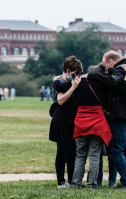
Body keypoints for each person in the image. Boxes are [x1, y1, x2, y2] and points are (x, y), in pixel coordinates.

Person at [81, 50, 126, 189]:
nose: (105, 67)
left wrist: (93, 75)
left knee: (116, 149)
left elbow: (114, 81)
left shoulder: (120, 69)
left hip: (122, 117)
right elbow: (120, 87)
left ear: (111, 61)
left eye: (105, 64)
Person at [49, 56, 83, 188]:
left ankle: (72, 181)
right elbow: (61, 101)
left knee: (72, 151)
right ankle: (61, 182)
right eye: (75, 73)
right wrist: (73, 87)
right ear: (69, 71)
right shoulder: (59, 83)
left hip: (71, 119)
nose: (77, 76)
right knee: (62, 151)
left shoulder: (64, 81)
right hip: (61, 119)